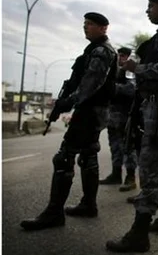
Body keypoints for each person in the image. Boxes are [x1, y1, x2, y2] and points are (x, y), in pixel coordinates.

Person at [106, 0, 158, 253]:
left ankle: (139, 234)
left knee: (151, 167)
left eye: (151, 6)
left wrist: (135, 69)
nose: (148, 10)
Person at [20, 12, 117, 231]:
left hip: (89, 111)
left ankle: (54, 214)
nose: (86, 27)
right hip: (95, 111)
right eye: (85, 24)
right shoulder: (97, 50)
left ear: (104, 28)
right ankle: (88, 205)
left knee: (64, 158)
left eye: (90, 24)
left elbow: (90, 84)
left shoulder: (101, 51)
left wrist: (66, 103)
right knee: (89, 154)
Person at [100, 47, 138, 192]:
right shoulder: (114, 71)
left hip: (126, 117)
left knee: (129, 148)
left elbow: (131, 90)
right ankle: (116, 175)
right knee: (115, 147)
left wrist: (112, 87)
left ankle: (130, 178)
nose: (120, 58)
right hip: (113, 116)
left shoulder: (131, 72)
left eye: (123, 56)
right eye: (119, 55)